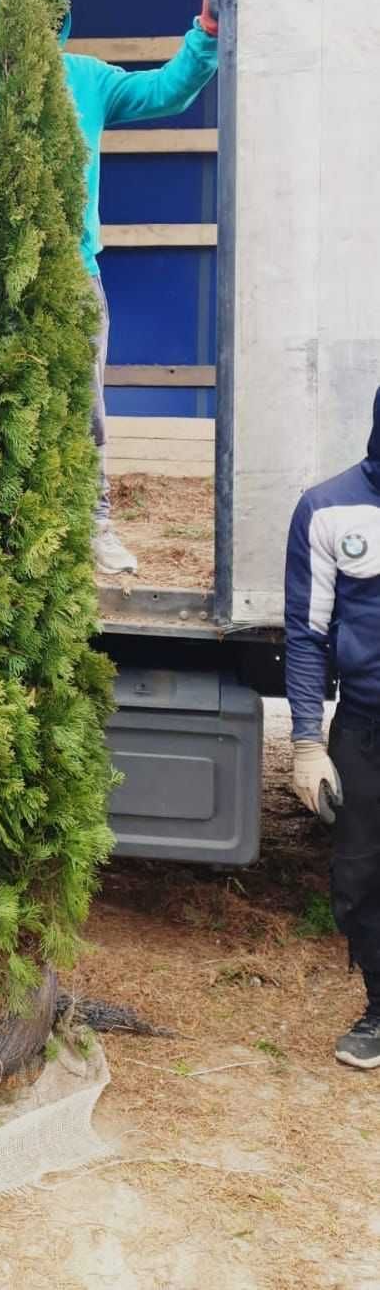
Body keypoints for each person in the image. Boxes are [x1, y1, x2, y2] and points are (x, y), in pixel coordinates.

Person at [0, 0, 232, 574]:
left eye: (48, 12)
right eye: (20, 7)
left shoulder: (86, 78)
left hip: (73, 276)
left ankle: (92, 526)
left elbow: (166, 93)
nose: (35, 23)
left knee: (83, 407)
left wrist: (205, 30)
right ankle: (2, 536)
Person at [285, 386, 380, 1069]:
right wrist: (307, 744)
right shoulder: (326, 507)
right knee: (359, 875)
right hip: (365, 729)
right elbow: (306, 633)